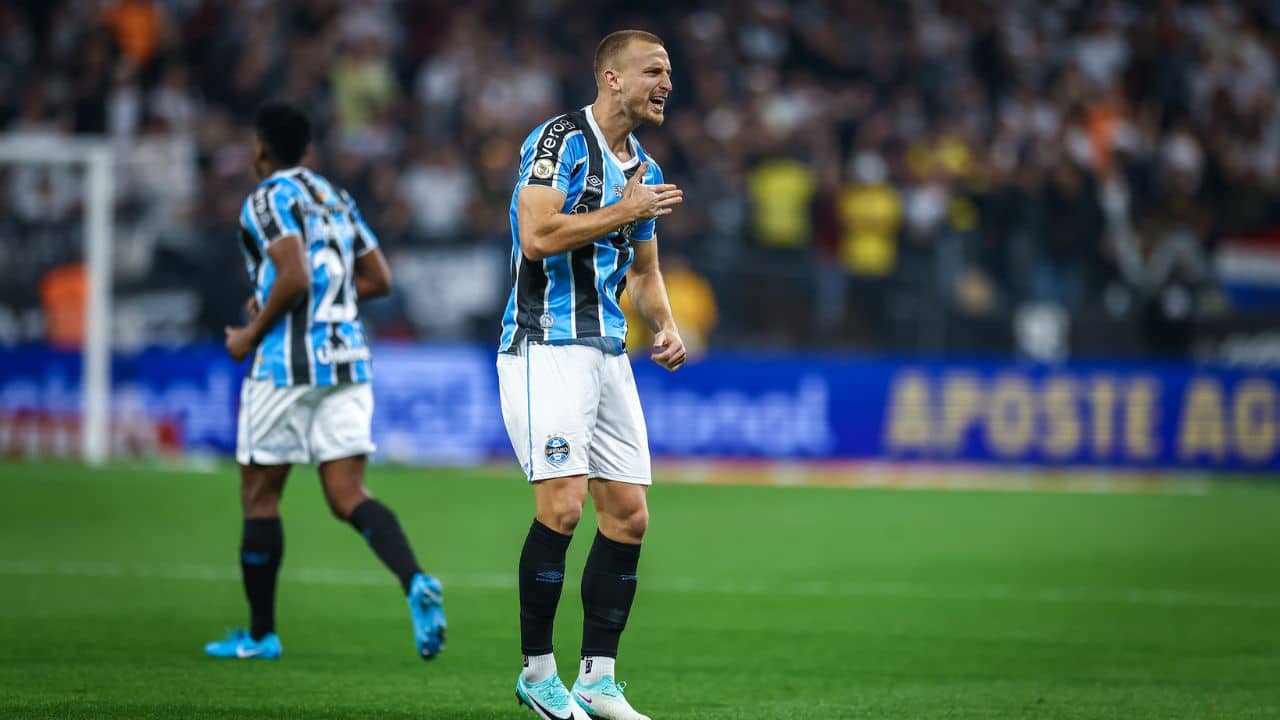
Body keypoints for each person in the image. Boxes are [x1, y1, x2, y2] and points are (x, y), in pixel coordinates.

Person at [204, 102, 446, 662]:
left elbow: (292, 274)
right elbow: (378, 278)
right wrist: (323, 301)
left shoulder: (266, 199)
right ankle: (413, 580)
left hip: (286, 364)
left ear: (260, 150)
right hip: (347, 358)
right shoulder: (335, 196)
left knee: (260, 496)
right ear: (307, 150)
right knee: (348, 495)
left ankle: (262, 635)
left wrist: (250, 331)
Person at [497, 30, 685, 720]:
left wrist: (663, 325)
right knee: (563, 506)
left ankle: (598, 680)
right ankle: (538, 674)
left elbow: (644, 270)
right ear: (612, 78)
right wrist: (623, 211)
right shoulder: (560, 141)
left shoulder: (643, 162)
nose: (667, 83)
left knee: (629, 515)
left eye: (670, 73)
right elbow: (537, 236)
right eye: (654, 71)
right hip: (544, 343)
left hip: (608, 352)